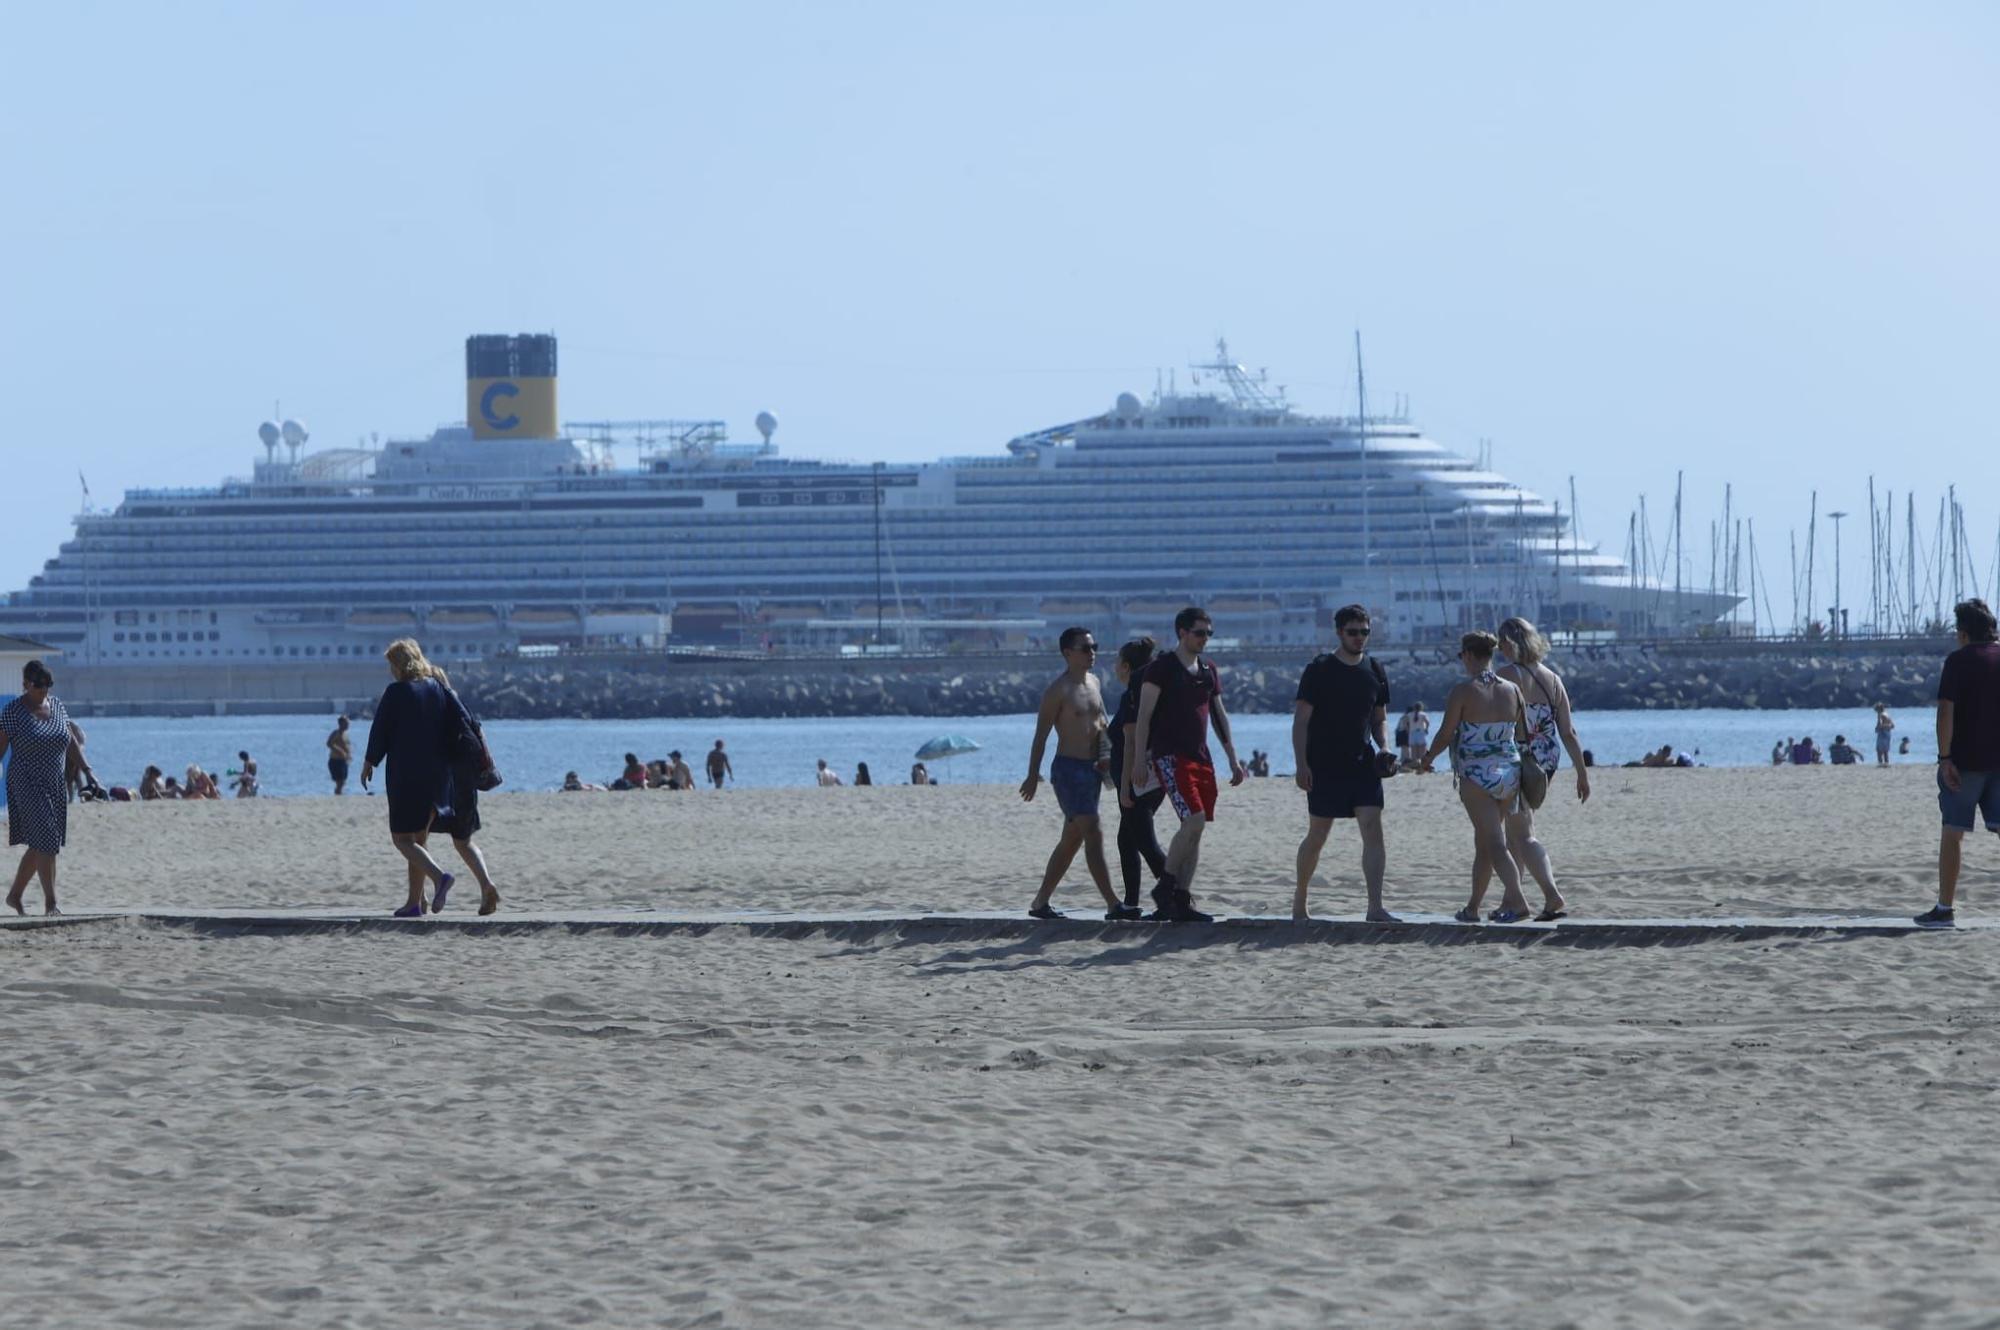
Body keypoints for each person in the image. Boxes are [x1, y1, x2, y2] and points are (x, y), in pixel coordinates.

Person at [1131, 606, 1248, 922]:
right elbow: (1143, 716)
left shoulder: (1208, 670)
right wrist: (1139, 760)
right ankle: (1165, 886)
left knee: (1195, 830)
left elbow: (1219, 716)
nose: (1204, 639)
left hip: (1201, 758)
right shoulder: (1162, 669)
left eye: (1208, 633)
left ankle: (1180, 899)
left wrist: (1232, 759)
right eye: (1199, 633)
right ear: (1182, 632)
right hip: (1170, 756)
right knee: (1193, 820)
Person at [1021, 627, 1134, 920]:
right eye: (1085, 648)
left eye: (1093, 646)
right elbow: (1040, 736)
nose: (1091, 652)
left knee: (1072, 839)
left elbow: (1102, 722)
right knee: (1093, 831)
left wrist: (1110, 758)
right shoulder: (1058, 691)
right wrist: (1032, 775)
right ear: (1067, 653)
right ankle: (1113, 903)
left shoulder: (1095, 682)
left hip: (1094, 769)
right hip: (1068, 770)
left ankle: (1040, 903)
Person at [1292, 604, 1396, 922]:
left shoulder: (1375, 670)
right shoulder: (1320, 669)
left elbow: (1379, 719)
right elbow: (1301, 722)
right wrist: (1301, 765)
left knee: (1372, 831)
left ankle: (1375, 907)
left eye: (1364, 632)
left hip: (1363, 764)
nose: (1359, 638)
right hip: (1324, 765)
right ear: (1339, 632)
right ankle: (1300, 899)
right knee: (1318, 834)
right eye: (1353, 632)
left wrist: (1384, 748)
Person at [1419, 632, 1531, 923]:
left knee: (1494, 842)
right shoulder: (1512, 689)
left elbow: (1446, 733)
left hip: (1476, 774)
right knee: (1484, 842)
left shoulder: (1463, 691)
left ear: (1468, 654)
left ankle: (1519, 902)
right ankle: (1472, 908)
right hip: (1510, 771)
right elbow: (1522, 732)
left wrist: (1428, 758)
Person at [1492, 616, 1591, 921]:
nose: (1499, 649)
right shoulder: (1552, 679)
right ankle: (1511, 900)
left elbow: (1494, 722)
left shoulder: (1505, 676)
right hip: (1546, 763)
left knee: (1522, 835)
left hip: (1516, 761)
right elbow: (1569, 732)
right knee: (1515, 832)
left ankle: (1551, 895)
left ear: (1508, 643)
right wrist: (1582, 773)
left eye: (1501, 643)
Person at [360, 638, 458, 918]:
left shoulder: (396, 692)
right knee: (418, 839)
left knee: (402, 839)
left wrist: (369, 762)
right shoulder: (437, 688)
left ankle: (440, 878)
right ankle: (416, 903)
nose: (390, 670)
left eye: (391, 664)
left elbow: (380, 731)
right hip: (438, 773)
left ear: (399, 664)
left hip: (407, 774)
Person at [1919, 599, 2000, 927]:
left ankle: (1944, 908)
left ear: (1964, 633)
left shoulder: (1958, 661)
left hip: (1965, 762)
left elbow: (1946, 711)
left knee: (1953, 833)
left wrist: (1944, 758)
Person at [2, 660, 95, 915]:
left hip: (54, 782)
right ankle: (51, 903)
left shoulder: (56, 706)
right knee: (46, 838)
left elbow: (70, 741)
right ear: (25, 684)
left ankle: (14, 896)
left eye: (48, 686)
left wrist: (88, 771)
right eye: (38, 686)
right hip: (25, 782)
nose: (44, 690)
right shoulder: (13, 711)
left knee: (44, 842)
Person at [408, 666, 501, 916]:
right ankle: (486, 884)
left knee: (417, 839)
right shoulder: (461, 707)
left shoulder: (432, 710)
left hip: (440, 784)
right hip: (467, 783)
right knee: (464, 842)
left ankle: (420, 898)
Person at [1108, 636, 1169, 912]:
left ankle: (1177, 896)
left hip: (1138, 779)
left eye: (1117, 664)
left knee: (1145, 842)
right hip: (1149, 776)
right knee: (1127, 840)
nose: (1114, 669)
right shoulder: (1150, 690)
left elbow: (1131, 742)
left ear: (1126, 666)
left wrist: (1123, 788)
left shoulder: (1134, 693)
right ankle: (1131, 903)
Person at [327, 715, 353, 794]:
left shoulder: (345, 734)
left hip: (343, 761)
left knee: (343, 782)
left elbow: (346, 746)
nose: (348, 725)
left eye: (348, 723)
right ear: (341, 724)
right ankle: (338, 794)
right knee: (340, 782)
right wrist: (341, 751)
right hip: (335, 761)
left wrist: (348, 755)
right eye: (346, 723)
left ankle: (339, 795)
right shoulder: (336, 733)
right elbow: (329, 743)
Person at [1406, 703, 1431, 771]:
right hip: (1420, 732)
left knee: (1413, 751)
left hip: (1412, 733)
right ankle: (1422, 766)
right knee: (1422, 751)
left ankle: (1415, 765)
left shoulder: (1409, 715)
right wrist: (1426, 729)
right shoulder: (1423, 714)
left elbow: (1407, 724)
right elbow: (1427, 722)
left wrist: (1408, 730)